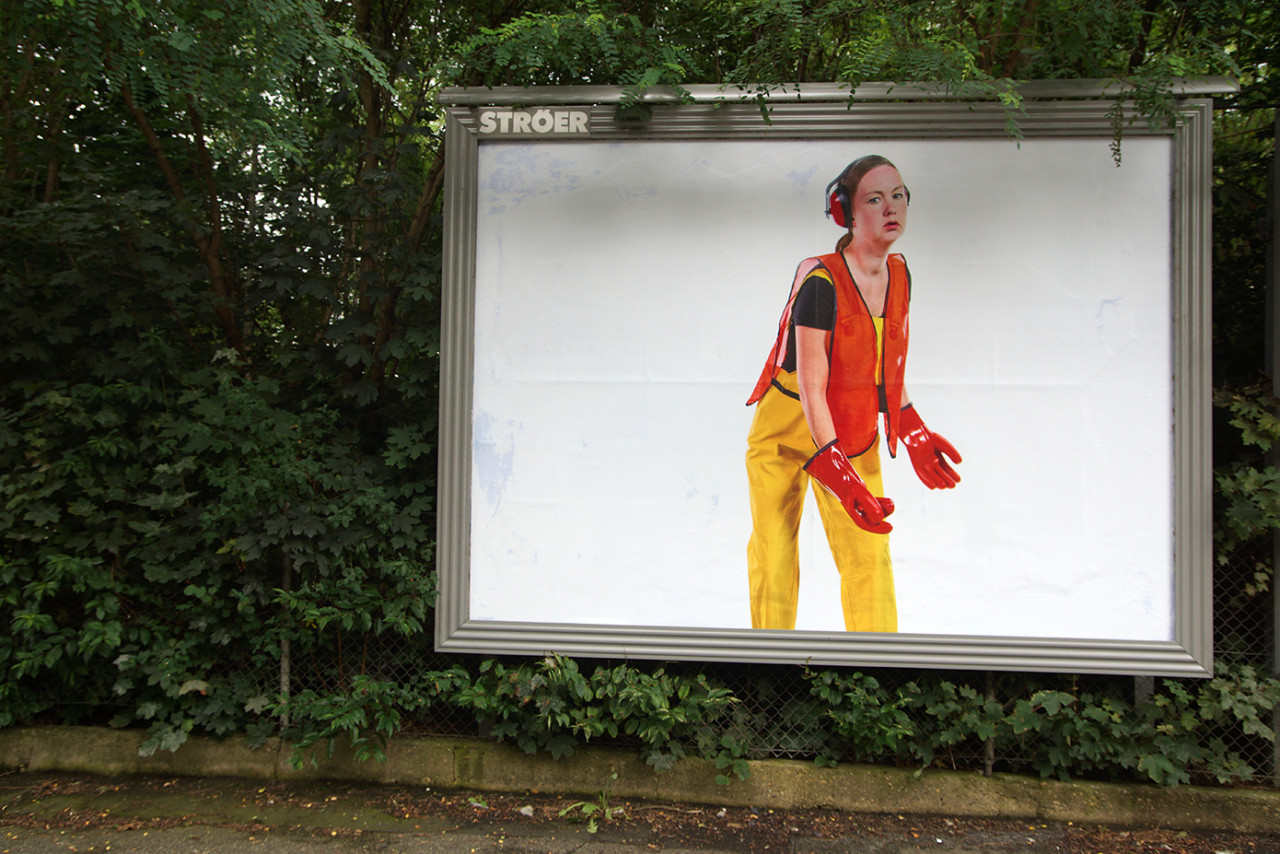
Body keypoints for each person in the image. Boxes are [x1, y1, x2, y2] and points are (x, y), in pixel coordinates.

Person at [745, 155, 961, 632]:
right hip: (789, 424)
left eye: (898, 195)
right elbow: (811, 388)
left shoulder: (900, 275)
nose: (891, 208)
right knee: (775, 554)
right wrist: (840, 475)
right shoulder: (821, 285)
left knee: (870, 552)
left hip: (851, 422)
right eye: (874, 198)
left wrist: (913, 429)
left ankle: (879, 672)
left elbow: (882, 368)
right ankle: (768, 667)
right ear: (846, 212)